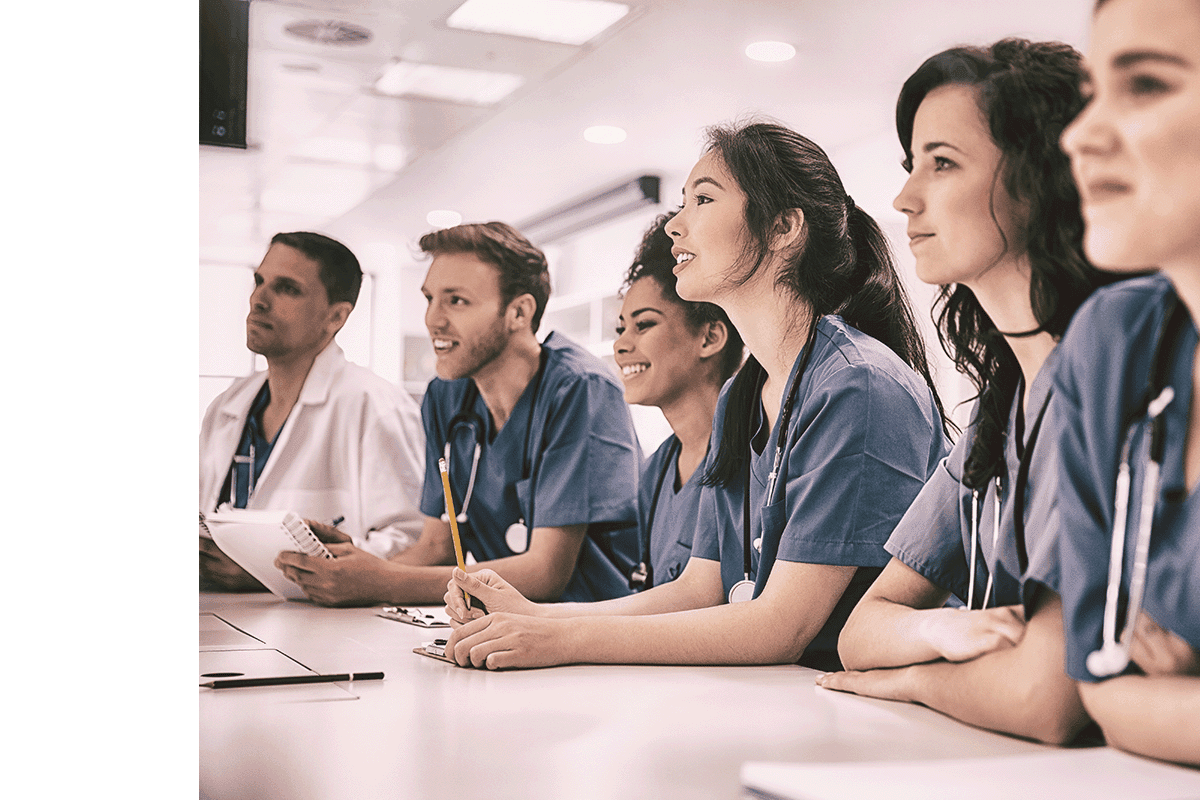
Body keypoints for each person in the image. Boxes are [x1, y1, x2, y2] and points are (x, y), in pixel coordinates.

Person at [440, 121, 950, 671]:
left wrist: (558, 642)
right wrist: (532, 616)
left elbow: (778, 628)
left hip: (858, 717)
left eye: (703, 199)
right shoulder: (743, 394)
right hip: (772, 700)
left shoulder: (858, 385)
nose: (676, 228)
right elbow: (699, 589)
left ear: (783, 228)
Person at [820, 40, 1116, 745]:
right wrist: (945, 628)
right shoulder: (1000, 408)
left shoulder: (1110, 381)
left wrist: (914, 679)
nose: (904, 197)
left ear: (1040, 178)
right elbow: (862, 630)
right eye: (911, 164)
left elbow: (1044, 698)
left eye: (942, 163)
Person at [275, 221, 642, 606]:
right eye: (430, 298)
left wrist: (382, 582)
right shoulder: (447, 395)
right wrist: (350, 572)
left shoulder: (579, 389)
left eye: (456, 301)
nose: (433, 319)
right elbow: (437, 545)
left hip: (589, 632)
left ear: (518, 312)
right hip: (499, 625)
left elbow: (545, 573)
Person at [1052, 0, 1200, 766]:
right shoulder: (1114, 344)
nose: (1081, 136)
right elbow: (1103, 682)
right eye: (1092, 91)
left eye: (1144, 84)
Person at [199, 231, 425, 590]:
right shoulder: (228, 404)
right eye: (260, 281)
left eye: (287, 289)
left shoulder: (375, 405)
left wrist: (265, 569)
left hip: (316, 632)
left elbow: (411, 543)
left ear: (335, 317)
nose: (258, 299)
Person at [617, 213, 744, 590]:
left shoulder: (748, 459)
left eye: (644, 325)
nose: (621, 345)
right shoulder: (656, 471)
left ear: (709, 338)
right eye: (620, 328)